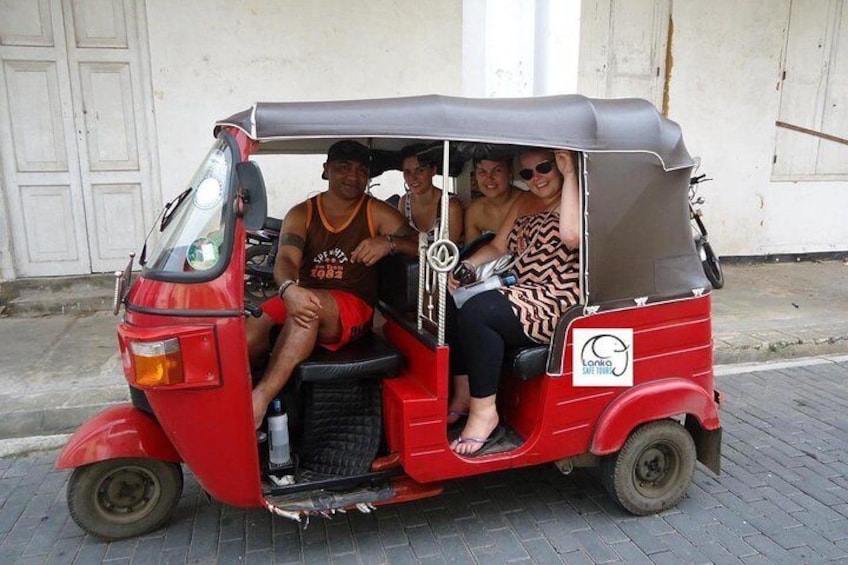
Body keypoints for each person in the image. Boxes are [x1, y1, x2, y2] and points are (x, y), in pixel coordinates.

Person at [247, 140, 416, 429]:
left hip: (352, 303)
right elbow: (286, 258)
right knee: (250, 330)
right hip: (304, 291)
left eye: (362, 171)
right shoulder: (302, 213)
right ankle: (246, 391)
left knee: (308, 309)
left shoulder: (376, 212)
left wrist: (388, 242)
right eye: (343, 168)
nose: (353, 176)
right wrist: (289, 289)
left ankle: (260, 400)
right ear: (326, 170)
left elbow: (423, 245)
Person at [447, 149, 581, 456]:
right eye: (527, 173)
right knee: (455, 299)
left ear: (560, 167)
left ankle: (485, 414)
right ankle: (464, 395)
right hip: (520, 288)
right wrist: (467, 267)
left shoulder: (576, 200)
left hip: (555, 297)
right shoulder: (523, 201)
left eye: (544, 168)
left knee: (481, 311)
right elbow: (497, 246)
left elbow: (572, 237)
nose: (536, 178)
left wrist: (571, 175)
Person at [397, 145, 464, 245]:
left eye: (420, 170)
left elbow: (448, 250)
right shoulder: (404, 203)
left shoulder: (450, 205)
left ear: (433, 171)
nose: (413, 177)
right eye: (407, 172)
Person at [463, 156, 522, 243]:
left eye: (497, 171)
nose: (489, 178)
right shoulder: (475, 210)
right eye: (482, 172)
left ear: (510, 173)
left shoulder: (526, 202)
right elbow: (472, 250)